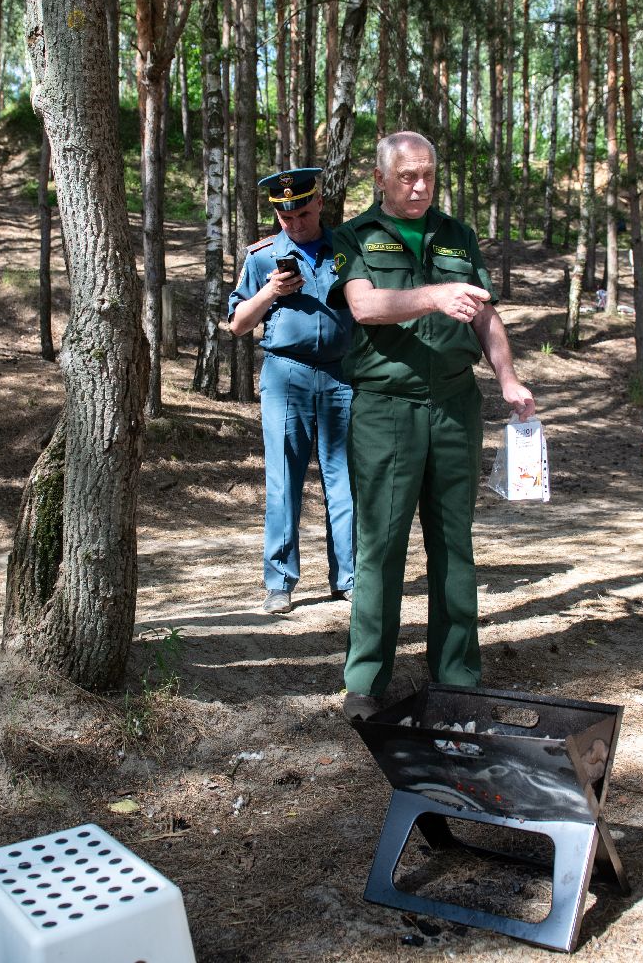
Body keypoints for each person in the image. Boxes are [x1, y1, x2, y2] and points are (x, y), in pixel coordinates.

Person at [330, 132, 535, 719]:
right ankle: (367, 681)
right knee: (382, 545)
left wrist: (508, 377)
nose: (419, 187)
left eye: (427, 176)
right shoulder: (355, 235)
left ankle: (457, 676)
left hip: (453, 405)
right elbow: (366, 306)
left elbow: (486, 315)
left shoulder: (457, 235)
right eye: (406, 178)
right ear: (380, 177)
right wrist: (436, 295)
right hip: (386, 409)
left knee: (454, 544)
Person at [227, 167, 355, 615]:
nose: (295, 224)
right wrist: (269, 292)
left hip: (342, 376)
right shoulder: (263, 257)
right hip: (286, 376)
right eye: (285, 217)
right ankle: (279, 582)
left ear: (319, 203)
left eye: (301, 212)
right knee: (283, 480)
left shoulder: (347, 249)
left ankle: (349, 578)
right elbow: (238, 323)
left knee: (345, 481)